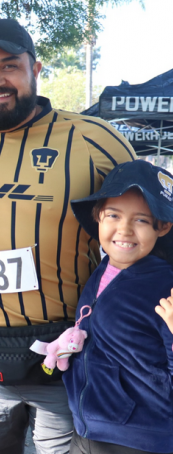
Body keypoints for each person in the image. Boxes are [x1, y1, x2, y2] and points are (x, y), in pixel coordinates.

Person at [0, 18, 137, 454]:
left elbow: (156, 228)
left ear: (35, 69)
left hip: (68, 354)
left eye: (9, 66)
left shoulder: (96, 140)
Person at [63, 159, 173, 454]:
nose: (124, 230)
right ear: (98, 216)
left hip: (138, 441)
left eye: (140, 220)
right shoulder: (102, 270)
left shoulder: (166, 288)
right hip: (86, 430)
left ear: (162, 227)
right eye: (113, 215)